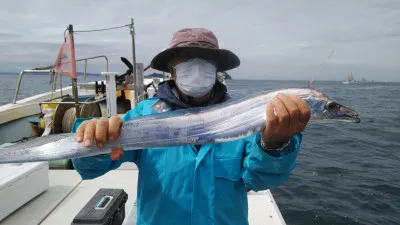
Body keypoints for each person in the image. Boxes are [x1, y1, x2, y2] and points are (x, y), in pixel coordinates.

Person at [72, 28, 310, 225]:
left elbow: (260, 180)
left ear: (217, 68)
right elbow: (91, 168)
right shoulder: (144, 114)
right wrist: (93, 140)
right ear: (171, 69)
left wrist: (274, 144)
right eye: (185, 58)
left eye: (206, 59)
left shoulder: (242, 116)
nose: (196, 65)